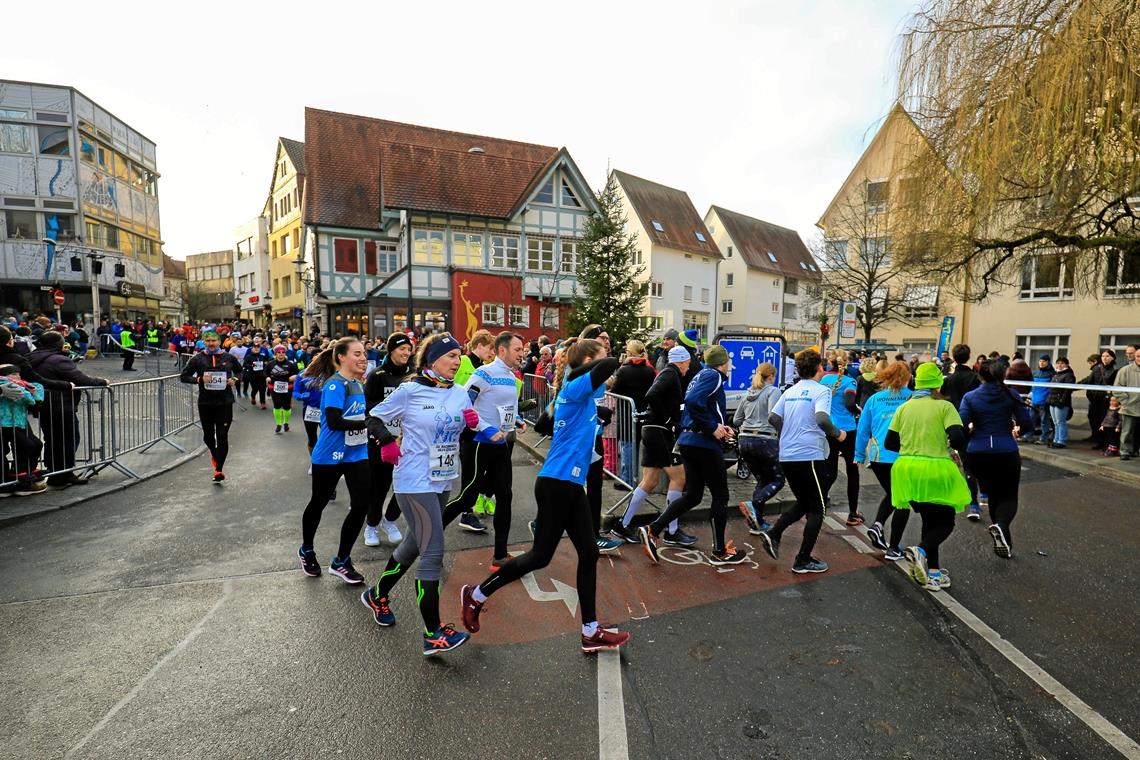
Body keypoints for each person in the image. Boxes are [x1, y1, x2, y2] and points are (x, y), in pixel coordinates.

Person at [458, 339, 631, 653]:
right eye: (599, 356)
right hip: (558, 483)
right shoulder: (578, 384)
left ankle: (590, 631)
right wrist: (603, 359)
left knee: (588, 552)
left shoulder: (580, 392)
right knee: (540, 557)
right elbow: (606, 366)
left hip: (569, 483)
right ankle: (476, 595)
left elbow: (543, 422)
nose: (606, 365)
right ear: (589, 363)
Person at [361, 333, 486, 656]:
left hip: (442, 479)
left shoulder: (459, 393)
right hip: (414, 480)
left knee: (413, 546)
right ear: (431, 360)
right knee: (432, 553)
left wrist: (473, 424)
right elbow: (372, 415)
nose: (457, 361)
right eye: (451, 356)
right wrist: (387, 441)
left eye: (460, 356)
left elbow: (463, 428)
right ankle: (432, 633)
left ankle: (377, 594)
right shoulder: (410, 390)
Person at [639, 345, 747, 565]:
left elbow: (696, 406)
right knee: (721, 496)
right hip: (703, 442)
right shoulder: (714, 375)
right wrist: (711, 428)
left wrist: (720, 426)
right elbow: (694, 402)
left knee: (693, 495)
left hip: (689, 440)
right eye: (728, 362)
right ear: (722, 363)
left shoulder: (700, 375)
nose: (729, 366)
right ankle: (719, 551)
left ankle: (653, 529)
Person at [884, 363, 971, 592]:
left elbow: (890, 443)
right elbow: (958, 439)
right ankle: (920, 551)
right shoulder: (945, 407)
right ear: (938, 383)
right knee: (946, 522)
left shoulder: (904, 408)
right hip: (935, 468)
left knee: (930, 521)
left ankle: (933, 573)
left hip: (906, 470)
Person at [443, 331, 526, 569]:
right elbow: (464, 404)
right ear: (502, 351)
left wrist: (516, 419)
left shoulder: (510, 376)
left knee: (505, 496)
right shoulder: (483, 374)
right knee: (467, 496)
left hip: (500, 444)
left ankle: (500, 555)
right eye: (518, 349)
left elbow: (503, 406)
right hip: (479, 443)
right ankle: (426, 538)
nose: (522, 354)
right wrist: (486, 428)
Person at [756, 350, 845, 574]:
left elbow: (773, 418)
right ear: (819, 369)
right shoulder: (822, 390)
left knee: (805, 502)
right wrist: (838, 434)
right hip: (809, 455)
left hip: (787, 454)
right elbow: (822, 419)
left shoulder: (790, 390)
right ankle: (803, 559)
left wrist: (787, 434)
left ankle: (774, 533)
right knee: (818, 507)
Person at [297, 338, 371, 584]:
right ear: (341, 357)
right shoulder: (334, 385)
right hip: (329, 455)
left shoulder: (358, 384)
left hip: (356, 452)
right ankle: (307, 549)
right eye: (357, 354)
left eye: (364, 354)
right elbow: (334, 421)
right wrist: (367, 424)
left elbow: (360, 415)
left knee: (361, 504)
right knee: (318, 502)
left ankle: (341, 560)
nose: (363, 358)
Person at [610, 345, 694, 547]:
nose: (688, 368)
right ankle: (672, 530)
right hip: (659, 432)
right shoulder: (671, 374)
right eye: (688, 363)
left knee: (650, 480)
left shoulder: (668, 373)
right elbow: (652, 394)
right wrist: (667, 418)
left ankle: (622, 525)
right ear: (681, 361)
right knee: (679, 477)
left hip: (652, 430)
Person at [959, 360, 1034, 559]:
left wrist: (970, 435)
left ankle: (1004, 540)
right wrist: (1019, 430)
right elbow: (1026, 422)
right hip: (1005, 449)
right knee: (1008, 495)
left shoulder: (970, 397)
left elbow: (962, 424)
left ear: (980, 376)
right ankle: (1001, 526)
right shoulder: (1011, 394)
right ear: (1003, 375)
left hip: (978, 450)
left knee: (992, 494)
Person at [26, 331, 109, 487]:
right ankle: (64, 474)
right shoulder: (59, 360)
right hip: (61, 405)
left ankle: (54, 472)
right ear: (58, 344)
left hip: (43, 405)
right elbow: (80, 379)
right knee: (67, 440)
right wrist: (102, 381)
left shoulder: (32, 358)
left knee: (51, 440)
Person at [855, 361, 914, 560]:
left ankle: (878, 525)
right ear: (908, 378)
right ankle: (893, 548)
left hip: (878, 457)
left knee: (893, 494)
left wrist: (858, 455)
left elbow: (863, 429)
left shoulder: (874, 399)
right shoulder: (912, 399)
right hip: (903, 456)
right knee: (902, 500)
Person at [362, 332, 415, 548]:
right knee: (380, 486)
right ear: (391, 350)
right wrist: (381, 435)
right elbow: (369, 410)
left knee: (406, 485)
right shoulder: (377, 375)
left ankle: (390, 520)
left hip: (407, 439)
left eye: (408, 349)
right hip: (381, 440)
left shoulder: (414, 374)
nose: (406, 352)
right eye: (402, 349)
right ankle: (372, 525)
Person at [578, 325, 622, 553]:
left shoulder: (595, 368)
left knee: (592, 485)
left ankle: (593, 533)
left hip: (593, 433)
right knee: (572, 483)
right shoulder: (582, 369)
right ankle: (546, 520)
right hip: (580, 436)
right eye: (602, 338)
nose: (607, 341)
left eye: (607, 337)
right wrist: (598, 413)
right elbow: (573, 399)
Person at [179, 331, 242, 482]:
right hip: (205, 403)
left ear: (219, 342)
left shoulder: (229, 357)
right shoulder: (197, 359)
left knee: (222, 436)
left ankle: (219, 469)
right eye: (208, 341)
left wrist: (234, 379)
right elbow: (184, 376)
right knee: (208, 436)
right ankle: (215, 455)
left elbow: (240, 372)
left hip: (225, 402)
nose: (211, 343)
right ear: (203, 342)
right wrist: (199, 379)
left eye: (214, 340)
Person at [734, 361, 784, 536]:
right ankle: (753, 505)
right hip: (765, 440)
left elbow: (736, 421)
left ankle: (758, 523)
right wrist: (782, 431)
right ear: (771, 376)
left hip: (744, 440)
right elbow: (773, 416)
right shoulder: (773, 391)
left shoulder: (747, 393)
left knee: (762, 480)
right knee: (778, 480)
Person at [819, 350, 863, 525]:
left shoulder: (823, 380)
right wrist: (858, 410)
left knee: (830, 472)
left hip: (829, 430)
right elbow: (850, 403)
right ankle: (853, 514)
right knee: (852, 472)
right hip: (848, 431)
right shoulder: (849, 381)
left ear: (830, 362)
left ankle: (817, 506)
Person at [610, 339, 657, 488]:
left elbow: (615, 391)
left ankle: (627, 479)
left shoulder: (624, 370)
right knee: (638, 447)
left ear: (629, 353)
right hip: (643, 413)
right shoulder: (650, 370)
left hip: (626, 413)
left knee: (627, 446)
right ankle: (639, 479)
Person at [0, 363, 46, 496]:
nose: (18, 376)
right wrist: (32, 396)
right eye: (14, 374)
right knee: (27, 445)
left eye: (18, 374)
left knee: (36, 444)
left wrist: (36, 395)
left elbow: (37, 390)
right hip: (6, 422)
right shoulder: (7, 382)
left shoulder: (23, 384)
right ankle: (16, 471)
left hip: (19, 421)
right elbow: (27, 397)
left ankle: (28, 470)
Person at [1082, 349, 1117, 450]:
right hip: (1094, 399)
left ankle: (1107, 443)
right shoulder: (1097, 368)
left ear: (1112, 358)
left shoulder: (1115, 370)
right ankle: (1099, 441)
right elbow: (1089, 380)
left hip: (1106, 400)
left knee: (1106, 421)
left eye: (1107, 356)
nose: (1104, 358)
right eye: (1103, 356)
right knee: (1095, 420)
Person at [1114, 349, 1140, 460]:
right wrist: (1126, 402)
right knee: (1127, 432)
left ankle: (1136, 451)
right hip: (1129, 408)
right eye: (1138, 356)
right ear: (1135, 356)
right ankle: (1125, 451)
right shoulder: (1125, 370)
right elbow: (1117, 389)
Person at [268, 345, 299, 434]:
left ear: (285, 353)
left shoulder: (290, 364)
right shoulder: (271, 364)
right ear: (275, 354)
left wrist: (294, 377)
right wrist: (267, 378)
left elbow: (297, 374)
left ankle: (286, 422)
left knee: (286, 406)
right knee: (277, 405)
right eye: (279, 352)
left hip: (287, 387)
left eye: (283, 352)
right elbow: (265, 373)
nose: (281, 354)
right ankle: (278, 424)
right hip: (274, 387)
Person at [1046, 356, 1075, 448]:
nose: (1059, 365)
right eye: (1058, 363)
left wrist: (1062, 401)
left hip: (1061, 402)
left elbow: (1067, 390)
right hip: (1053, 401)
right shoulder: (1055, 375)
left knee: (1060, 422)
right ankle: (1056, 439)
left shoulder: (1069, 375)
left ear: (1066, 364)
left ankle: (1061, 441)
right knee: (1055, 422)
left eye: (1062, 363)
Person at [1029, 355, 1055, 444]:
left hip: (1044, 400)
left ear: (1048, 362)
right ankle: (1028, 435)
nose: (1041, 363)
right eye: (1040, 361)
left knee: (1044, 420)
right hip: (1034, 399)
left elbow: (1052, 389)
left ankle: (1044, 438)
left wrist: (1048, 399)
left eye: (1043, 361)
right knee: (1031, 418)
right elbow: (1032, 386)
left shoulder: (1052, 374)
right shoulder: (1035, 373)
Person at [242, 337, 271, 409]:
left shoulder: (262, 356)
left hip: (261, 375)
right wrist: (251, 365)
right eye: (255, 347)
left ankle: (263, 403)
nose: (256, 349)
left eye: (258, 347)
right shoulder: (249, 356)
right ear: (252, 348)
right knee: (255, 389)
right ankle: (253, 397)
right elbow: (244, 365)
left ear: (260, 349)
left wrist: (266, 365)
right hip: (252, 375)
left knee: (262, 389)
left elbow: (266, 363)